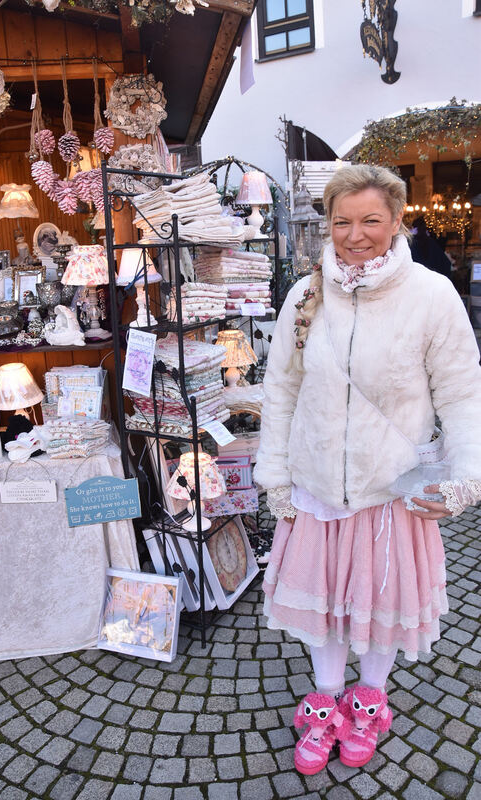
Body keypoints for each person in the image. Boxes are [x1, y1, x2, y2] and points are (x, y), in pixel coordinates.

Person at [254, 164, 481, 776]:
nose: (355, 235)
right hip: (317, 487)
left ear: (397, 220)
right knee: (325, 605)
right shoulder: (304, 297)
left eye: (370, 220)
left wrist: (466, 476)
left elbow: (463, 395)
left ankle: (369, 702)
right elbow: (280, 391)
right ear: (328, 225)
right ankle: (326, 703)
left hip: (389, 491)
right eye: (342, 221)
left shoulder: (432, 297)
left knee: (377, 605)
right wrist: (274, 475)